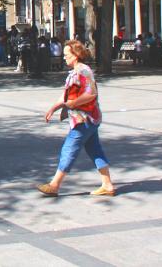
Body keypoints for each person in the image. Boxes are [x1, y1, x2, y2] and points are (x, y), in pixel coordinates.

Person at [37, 40, 115, 197]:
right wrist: (54, 107)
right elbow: (66, 94)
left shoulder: (84, 71)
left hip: (84, 119)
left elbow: (91, 93)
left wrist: (74, 103)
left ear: (76, 55)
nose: (64, 57)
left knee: (69, 148)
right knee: (95, 150)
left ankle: (55, 185)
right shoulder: (75, 71)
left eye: (67, 55)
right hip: (86, 119)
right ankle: (107, 184)